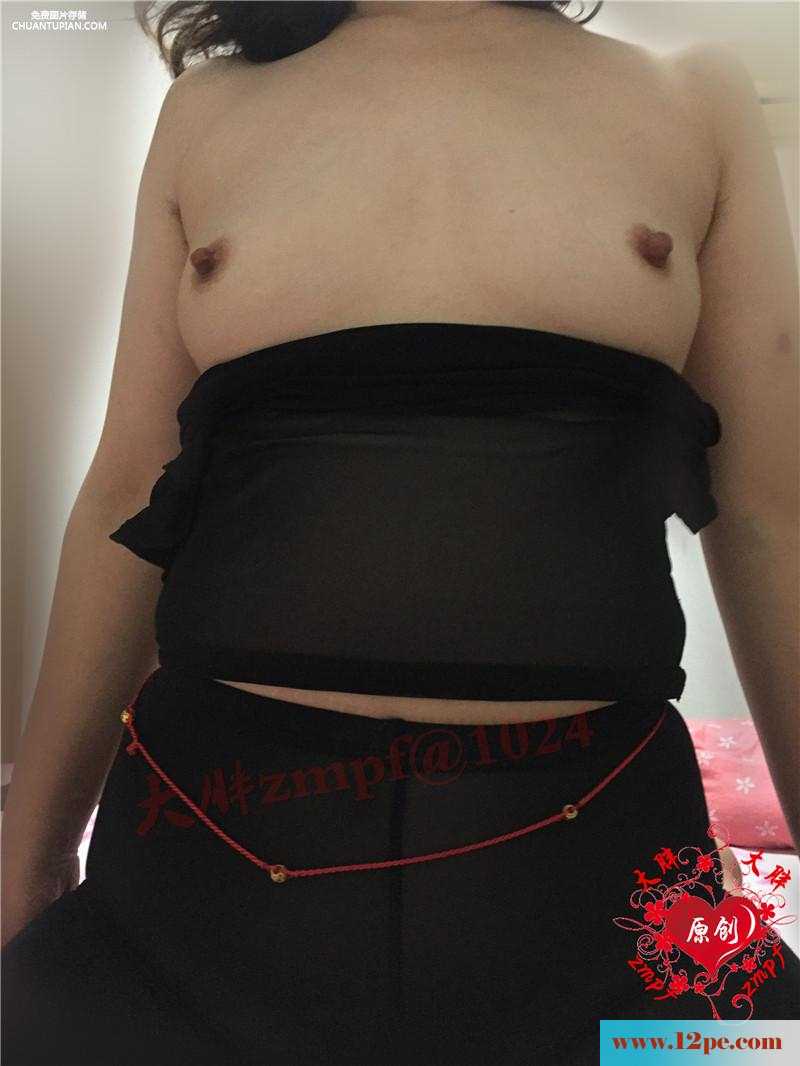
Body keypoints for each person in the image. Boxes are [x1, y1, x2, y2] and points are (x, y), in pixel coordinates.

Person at [2, 2, 799, 1063]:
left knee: (760, 1045)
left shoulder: (693, 98)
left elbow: (766, 513)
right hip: (200, 865)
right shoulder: (209, 109)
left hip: (603, 874)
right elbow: (127, 491)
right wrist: (30, 860)